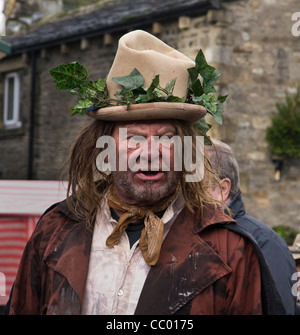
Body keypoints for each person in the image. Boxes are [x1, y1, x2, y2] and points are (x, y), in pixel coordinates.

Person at [6, 30, 285, 315]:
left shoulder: (229, 248)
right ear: (104, 147)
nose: (150, 153)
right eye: (134, 138)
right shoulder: (55, 231)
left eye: (166, 137)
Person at [206, 139, 297, 315]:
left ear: (223, 189)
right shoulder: (188, 237)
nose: (185, 198)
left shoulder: (265, 243)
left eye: (193, 189)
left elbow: (279, 309)